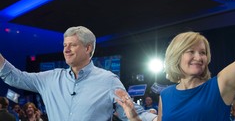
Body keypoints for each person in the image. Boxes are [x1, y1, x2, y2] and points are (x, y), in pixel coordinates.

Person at [0, 26, 156, 121]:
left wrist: (156, 118)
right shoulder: (49, 78)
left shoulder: (108, 80)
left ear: (88, 48)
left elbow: (130, 113)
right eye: (64, 45)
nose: (66, 50)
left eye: (72, 45)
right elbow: (16, 77)